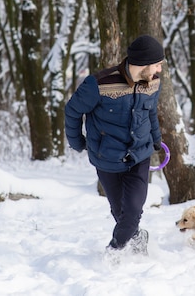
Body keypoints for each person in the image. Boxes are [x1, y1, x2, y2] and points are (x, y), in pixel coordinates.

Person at [64, 35, 164, 258]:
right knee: (120, 212)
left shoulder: (154, 82)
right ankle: (138, 239)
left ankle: (113, 253)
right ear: (144, 62)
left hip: (140, 155)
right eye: (157, 64)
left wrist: (156, 139)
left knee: (132, 211)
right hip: (106, 157)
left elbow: (151, 112)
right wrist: (77, 141)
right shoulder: (98, 84)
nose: (159, 69)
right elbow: (72, 110)